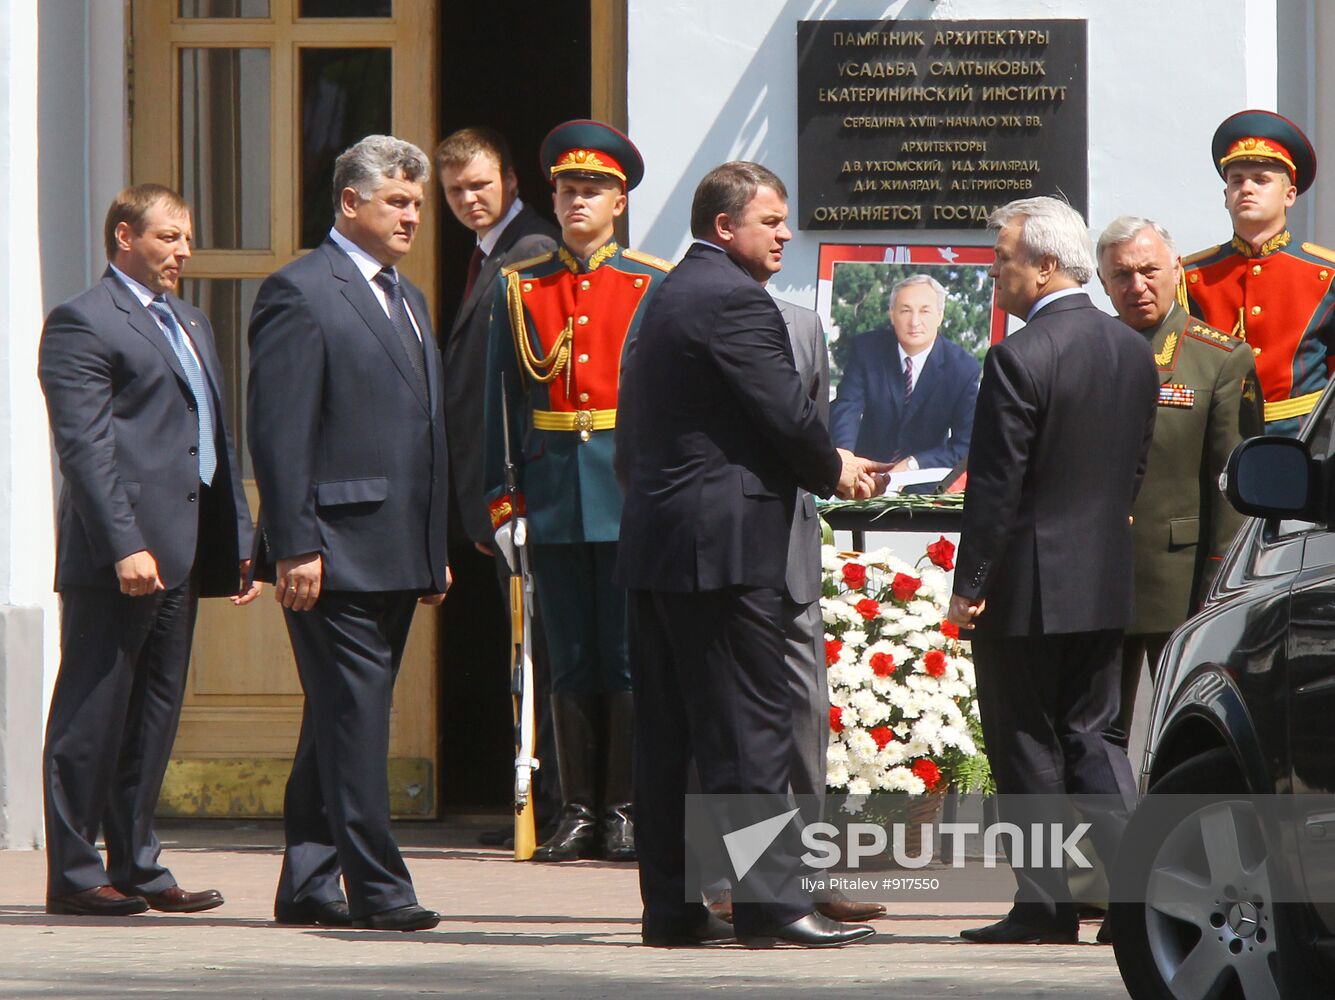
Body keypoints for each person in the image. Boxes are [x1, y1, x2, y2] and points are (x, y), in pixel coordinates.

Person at [616, 160, 883, 949]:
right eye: (770, 221)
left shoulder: (666, 294)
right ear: (724, 227)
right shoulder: (734, 300)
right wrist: (834, 465)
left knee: (667, 740)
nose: (785, 233)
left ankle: (669, 911)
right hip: (725, 555)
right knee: (752, 735)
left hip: (662, 548)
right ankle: (774, 908)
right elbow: (785, 415)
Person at [38, 183, 259, 916]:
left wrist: (239, 541)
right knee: (93, 712)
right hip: (119, 558)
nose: (183, 252)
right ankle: (74, 873)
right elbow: (85, 449)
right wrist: (124, 545)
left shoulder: (191, 321)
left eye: (187, 238)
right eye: (169, 238)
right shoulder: (83, 322)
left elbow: (215, 443)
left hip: (183, 551)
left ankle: (136, 862)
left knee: (154, 714)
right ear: (125, 237)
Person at [248, 135, 449, 932]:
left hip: (397, 547)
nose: (410, 217)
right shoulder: (300, 291)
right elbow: (281, 430)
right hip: (331, 549)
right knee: (358, 717)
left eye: (415, 204)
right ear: (349, 203)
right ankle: (379, 890)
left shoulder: (408, 296)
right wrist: (294, 542)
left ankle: (306, 881)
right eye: (396, 201)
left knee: (338, 715)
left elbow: (422, 432)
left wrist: (433, 546)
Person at [948, 196, 1157, 945]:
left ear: (1042, 266)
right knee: (1093, 740)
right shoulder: (1131, 349)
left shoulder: (1018, 355)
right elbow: (1133, 467)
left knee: (1027, 744)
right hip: (1101, 575)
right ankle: (1138, 902)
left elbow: (995, 488)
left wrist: (968, 586)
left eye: (1002, 257)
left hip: (1027, 585)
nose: (994, 270)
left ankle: (1045, 907)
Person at [482, 119, 669, 863]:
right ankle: (577, 810)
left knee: (624, 658)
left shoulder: (649, 285)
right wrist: (504, 502)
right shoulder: (521, 286)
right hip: (553, 494)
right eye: (566, 190)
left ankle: (624, 809)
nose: (577, 202)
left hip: (628, 497)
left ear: (619, 201)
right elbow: (497, 404)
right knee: (567, 657)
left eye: (592, 190)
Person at [434, 127, 562, 843]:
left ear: (510, 181)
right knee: (518, 650)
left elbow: (518, 389)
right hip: (491, 491)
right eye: (455, 191)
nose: (468, 200)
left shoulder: (533, 252)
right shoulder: (489, 251)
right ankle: (531, 804)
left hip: (521, 489)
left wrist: (501, 496)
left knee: (534, 649)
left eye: (480, 185)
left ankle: (540, 808)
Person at [1097, 216, 1262, 737]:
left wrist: (1222, 583)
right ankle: (1103, 823)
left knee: (1186, 733)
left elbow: (1234, 485)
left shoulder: (1216, 359)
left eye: (1149, 270)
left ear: (1176, 270)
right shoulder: (1087, 349)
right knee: (1096, 736)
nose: (1137, 286)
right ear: (1102, 282)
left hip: (1179, 580)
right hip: (1094, 576)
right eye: (1121, 275)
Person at [1183, 109, 1335, 436]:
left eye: (1261, 180)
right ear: (1226, 196)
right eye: (1237, 180)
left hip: (1304, 435)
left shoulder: (1326, 275)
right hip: (1217, 435)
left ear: (1289, 195)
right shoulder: (1191, 276)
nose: (1247, 188)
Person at [829, 273, 980, 470]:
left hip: (924, 483)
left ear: (940, 315)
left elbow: (965, 445)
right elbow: (846, 407)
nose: (914, 321)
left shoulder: (963, 370)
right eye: (905, 310)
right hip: (864, 473)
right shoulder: (867, 350)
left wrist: (913, 464)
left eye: (925, 311)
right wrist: (845, 456)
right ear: (892, 314)